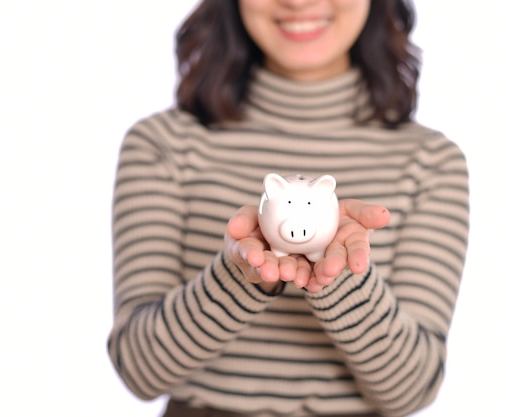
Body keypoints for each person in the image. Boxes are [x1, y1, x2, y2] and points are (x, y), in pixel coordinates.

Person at [107, 1, 469, 416]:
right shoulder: (163, 145)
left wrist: (338, 273)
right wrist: (239, 275)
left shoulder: (430, 161)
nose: (299, 1)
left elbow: (412, 390)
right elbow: (139, 369)